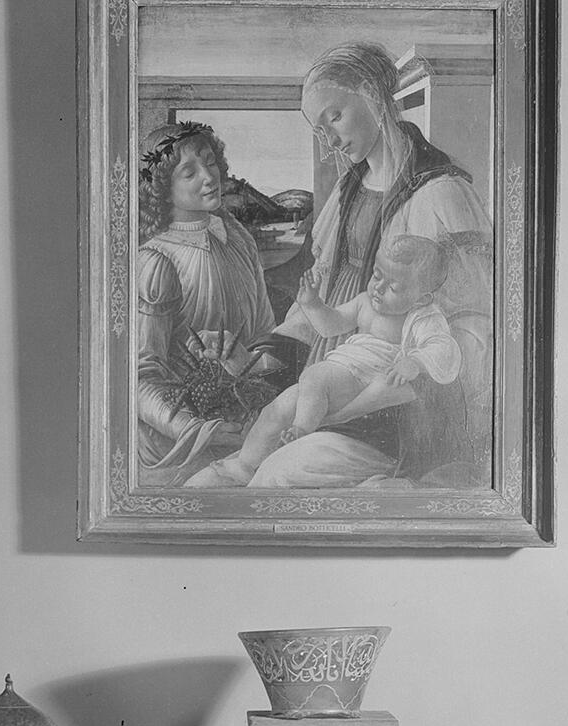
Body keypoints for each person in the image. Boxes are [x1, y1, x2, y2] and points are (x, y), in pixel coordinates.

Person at [251, 39, 494, 489]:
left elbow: (478, 318)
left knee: (280, 476)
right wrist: (271, 352)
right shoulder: (348, 191)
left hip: (393, 396)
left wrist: (413, 373)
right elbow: (318, 284)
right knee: (259, 449)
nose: (329, 142)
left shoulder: (442, 194)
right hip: (334, 363)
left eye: (334, 117)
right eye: (319, 129)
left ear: (371, 94)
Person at [192, 233, 460, 486]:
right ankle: (245, 465)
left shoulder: (423, 317)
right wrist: (312, 305)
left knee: (313, 378)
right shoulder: (365, 302)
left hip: (361, 381)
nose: (378, 288)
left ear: (422, 298)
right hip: (337, 374)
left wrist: (414, 361)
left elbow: (442, 347)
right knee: (277, 409)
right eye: (377, 276)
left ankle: (301, 430)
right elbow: (331, 326)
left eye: (393, 287)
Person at [133, 122, 285, 485]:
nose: (208, 176)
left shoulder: (237, 237)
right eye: (190, 172)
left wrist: (260, 394)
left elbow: (266, 334)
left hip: (247, 418)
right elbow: (140, 377)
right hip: (181, 442)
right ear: (163, 190)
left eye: (210, 162)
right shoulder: (156, 261)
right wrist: (201, 430)